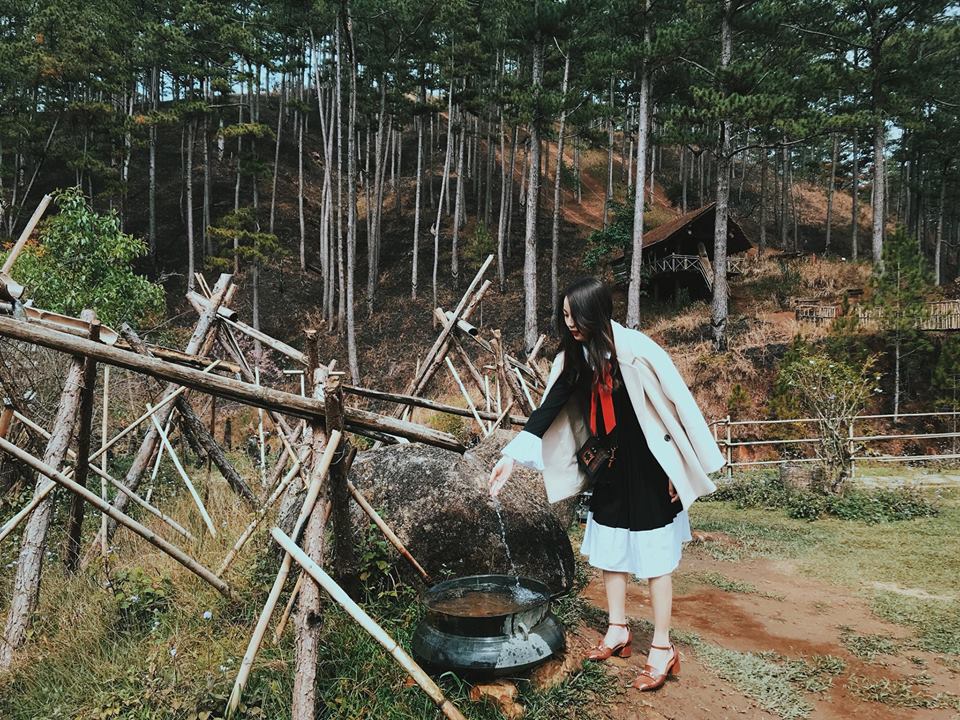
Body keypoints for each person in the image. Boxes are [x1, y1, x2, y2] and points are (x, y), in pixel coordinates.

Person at [487, 277, 724, 692]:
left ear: (597, 313)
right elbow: (549, 407)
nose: (570, 323)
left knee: (655, 557)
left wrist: (678, 468)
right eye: (564, 316)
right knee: (611, 549)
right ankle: (618, 629)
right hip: (610, 466)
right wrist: (511, 456)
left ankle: (663, 648)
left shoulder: (636, 350)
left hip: (650, 466)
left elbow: (677, 405)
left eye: (576, 316)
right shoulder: (573, 358)